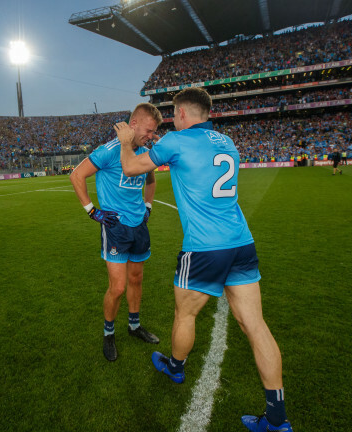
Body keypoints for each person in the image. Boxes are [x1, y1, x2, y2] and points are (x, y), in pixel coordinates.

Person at [115, 87, 293, 432]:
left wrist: (126, 140)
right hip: (241, 242)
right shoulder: (227, 143)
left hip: (204, 247)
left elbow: (131, 167)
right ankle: (276, 418)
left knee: (185, 314)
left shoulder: (174, 141)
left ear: (181, 113)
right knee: (256, 327)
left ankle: (176, 367)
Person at [70, 102, 163, 362]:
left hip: (139, 226)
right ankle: (108, 333)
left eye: (154, 132)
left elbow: (151, 179)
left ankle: (134, 326)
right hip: (115, 228)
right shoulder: (109, 151)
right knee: (118, 287)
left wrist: (148, 205)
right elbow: (77, 175)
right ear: (132, 125)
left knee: (136, 280)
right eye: (148, 130)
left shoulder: (144, 152)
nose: (151, 136)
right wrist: (92, 211)